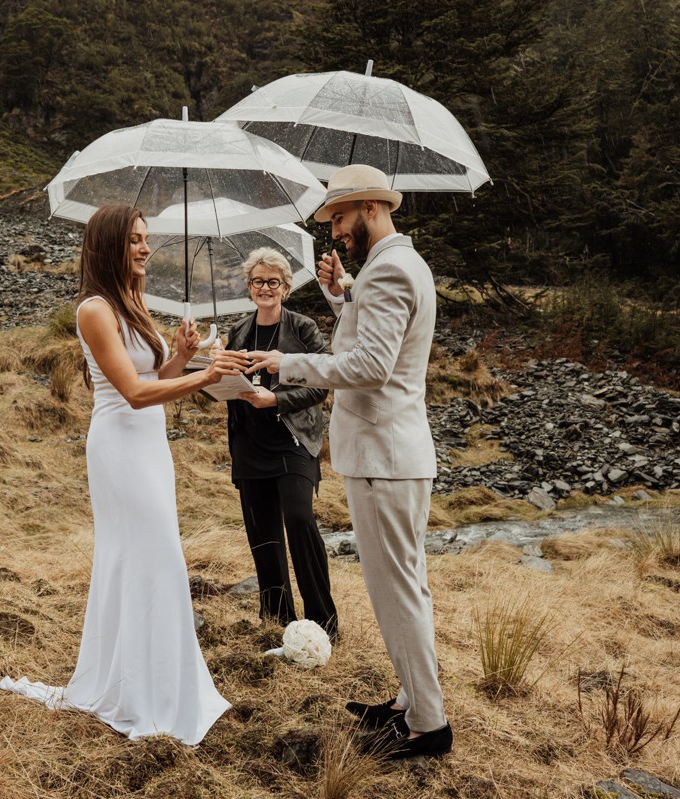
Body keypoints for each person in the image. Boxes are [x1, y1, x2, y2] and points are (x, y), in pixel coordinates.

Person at [0, 203, 250, 745]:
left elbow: (154, 378)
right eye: (135, 239)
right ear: (110, 245)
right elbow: (133, 393)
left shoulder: (133, 304)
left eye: (146, 238)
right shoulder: (94, 310)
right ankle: (136, 692)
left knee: (154, 559)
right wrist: (206, 375)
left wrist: (181, 356)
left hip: (150, 446)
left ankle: (158, 682)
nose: (145, 248)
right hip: (119, 446)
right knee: (148, 557)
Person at [247, 164, 451, 759]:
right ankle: (412, 702)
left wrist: (287, 363)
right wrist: (343, 297)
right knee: (403, 587)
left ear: (369, 208)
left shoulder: (389, 270)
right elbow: (373, 336)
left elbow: (370, 366)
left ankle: (428, 725)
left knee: (396, 592)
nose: (333, 231)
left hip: (384, 457)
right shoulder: (395, 265)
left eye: (338, 217)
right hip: (392, 453)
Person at [221, 247, 338, 639]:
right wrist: (216, 368)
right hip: (250, 444)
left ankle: (323, 623)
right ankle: (277, 623)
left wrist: (276, 399)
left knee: (300, 521)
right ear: (249, 287)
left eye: (273, 281)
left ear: (286, 288)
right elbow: (225, 384)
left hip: (293, 441)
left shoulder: (302, 328)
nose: (265, 288)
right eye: (258, 281)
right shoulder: (239, 331)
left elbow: (322, 382)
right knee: (263, 536)